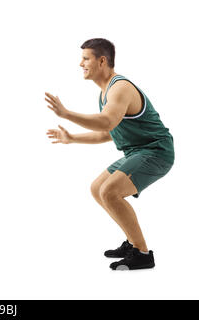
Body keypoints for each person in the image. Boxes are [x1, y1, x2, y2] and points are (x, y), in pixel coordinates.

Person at [45, 38, 174, 270]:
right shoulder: (105, 93)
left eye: (86, 58)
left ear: (102, 61)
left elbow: (106, 120)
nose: (80, 63)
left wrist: (65, 113)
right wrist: (71, 138)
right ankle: (132, 243)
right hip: (137, 151)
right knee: (97, 189)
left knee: (110, 191)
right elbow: (107, 131)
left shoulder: (120, 88)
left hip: (156, 151)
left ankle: (143, 253)